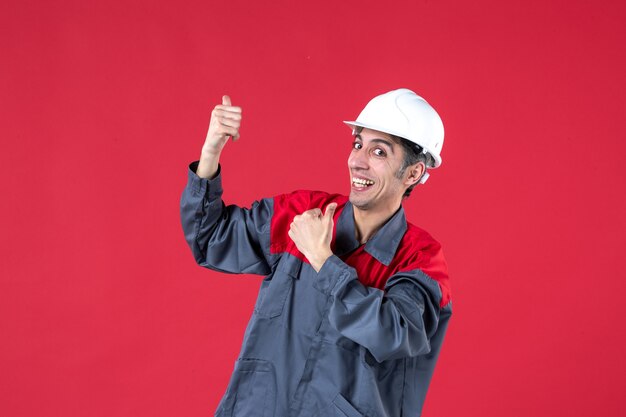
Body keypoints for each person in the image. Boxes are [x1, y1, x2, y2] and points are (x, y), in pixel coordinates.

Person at [180, 88, 452, 417]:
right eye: (357, 144)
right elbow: (210, 239)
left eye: (379, 152)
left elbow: (392, 335)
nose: (358, 161)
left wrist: (324, 262)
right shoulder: (305, 213)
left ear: (413, 173)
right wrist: (211, 154)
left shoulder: (420, 260)